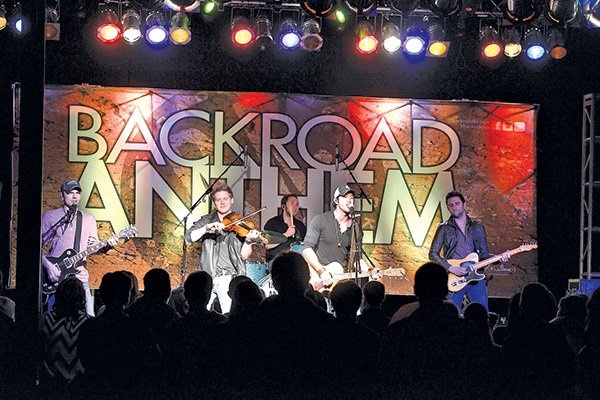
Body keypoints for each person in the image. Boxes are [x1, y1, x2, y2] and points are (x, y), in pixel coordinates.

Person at [41, 179, 118, 316]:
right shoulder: (51, 217)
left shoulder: (88, 219)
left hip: (80, 278)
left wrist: (106, 245)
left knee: (88, 318)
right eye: (70, 193)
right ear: (62, 195)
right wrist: (48, 265)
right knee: (56, 317)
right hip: (56, 278)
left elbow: (93, 247)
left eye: (77, 193)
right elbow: (36, 247)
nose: (75, 196)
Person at [184, 183, 260, 313]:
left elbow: (244, 256)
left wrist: (248, 242)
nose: (222, 202)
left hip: (229, 278)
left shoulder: (240, 223)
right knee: (198, 314)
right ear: (214, 203)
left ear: (232, 200)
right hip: (208, 276)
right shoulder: (207, 220)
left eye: (225, 199)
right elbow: (188, 238)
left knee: (229, 315)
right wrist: (206, 228)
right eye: (218, 200)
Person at [429, 191, 509, 311]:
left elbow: (484, 255)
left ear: (464, 205)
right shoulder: (444, 228)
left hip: (475, 276)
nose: (454, 207)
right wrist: (450, 267)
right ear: (447, 207)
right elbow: (433, 253)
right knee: (451, 315)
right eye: (451, 205)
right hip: (455, 277)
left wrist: (499, 259)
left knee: (482, 313)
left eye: (457, 203)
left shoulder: (478, 227)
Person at [302, 184, 364, 288]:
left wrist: (369, 270)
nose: (349, 200)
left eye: (351, 198)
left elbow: (356, 260)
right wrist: (321, 271)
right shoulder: (320, 220)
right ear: (336, 201)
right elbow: (307, 249)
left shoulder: (356, 229)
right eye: (345, 197)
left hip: (339, 280)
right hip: (318, 275)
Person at [263, 194, 306, 264]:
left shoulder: (301, 226)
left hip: (295, 262)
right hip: (276, 261)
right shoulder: (273, 223)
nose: (295, 207)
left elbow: (304, 245)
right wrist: (286, 234)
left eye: (297, 204)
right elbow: (267, 245)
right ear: (283, 206)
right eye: (292, 203)